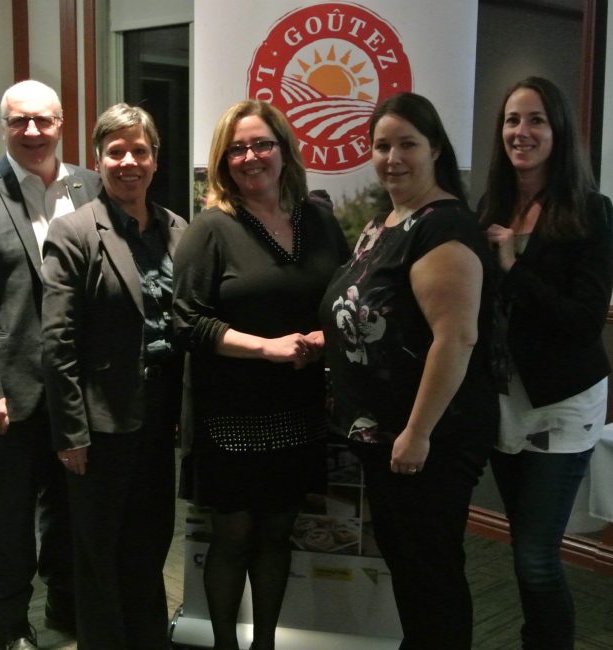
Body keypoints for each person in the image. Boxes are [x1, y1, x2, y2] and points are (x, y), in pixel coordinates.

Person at [320, 92, 498, 649]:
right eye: (382, 146)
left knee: (431, 572)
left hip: (427, 439)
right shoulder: (386, 222)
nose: (392, 158)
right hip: (386, 434)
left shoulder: (444, 227)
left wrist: (417, 433)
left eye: (407, 145)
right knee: (411, 565)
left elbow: (456, 338)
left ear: (436, 149)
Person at [172, 100, 348, 650]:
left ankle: (265, 643)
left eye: (261, 144)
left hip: (300, 408)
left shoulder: (318, 220)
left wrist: (324, 336)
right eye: (237, 149)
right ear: (223, 161)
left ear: (284, 150)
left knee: (278, 536)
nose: (251, 157)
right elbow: (186, 321)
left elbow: (346, 299)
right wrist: (265, 348)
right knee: (233, 538)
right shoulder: (211, 228)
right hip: (232, 413)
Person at [41, 103, 187, 649]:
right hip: (100, 426)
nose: (129, 162)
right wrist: (71, 434)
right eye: (116, 151)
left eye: (139, 151)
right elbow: (57, 342)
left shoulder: (178, 229)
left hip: (161, 420)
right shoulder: (74, 231)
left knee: (150, 543)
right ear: (98, 159)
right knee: (99, 551)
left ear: (155, 159)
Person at [0, 79, 100, 650]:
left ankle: (66, 606)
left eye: (43, 119)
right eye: (19, 120)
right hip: (10, 391)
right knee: (10, 518)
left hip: (81, 387)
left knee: (70, 509)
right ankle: (11, 625)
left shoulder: (90, 184)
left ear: (61, 122)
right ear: (4, 127)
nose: (32, 131)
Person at [480, 76, 613, 650]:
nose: (522, 131)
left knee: (536, 556)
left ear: (558, 130)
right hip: (504, 399)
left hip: (562, 401)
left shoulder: (591, 212)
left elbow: (582, 320)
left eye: (536, 119)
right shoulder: (490, 207)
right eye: (512, 120)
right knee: (523, 546)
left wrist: (513, 267)